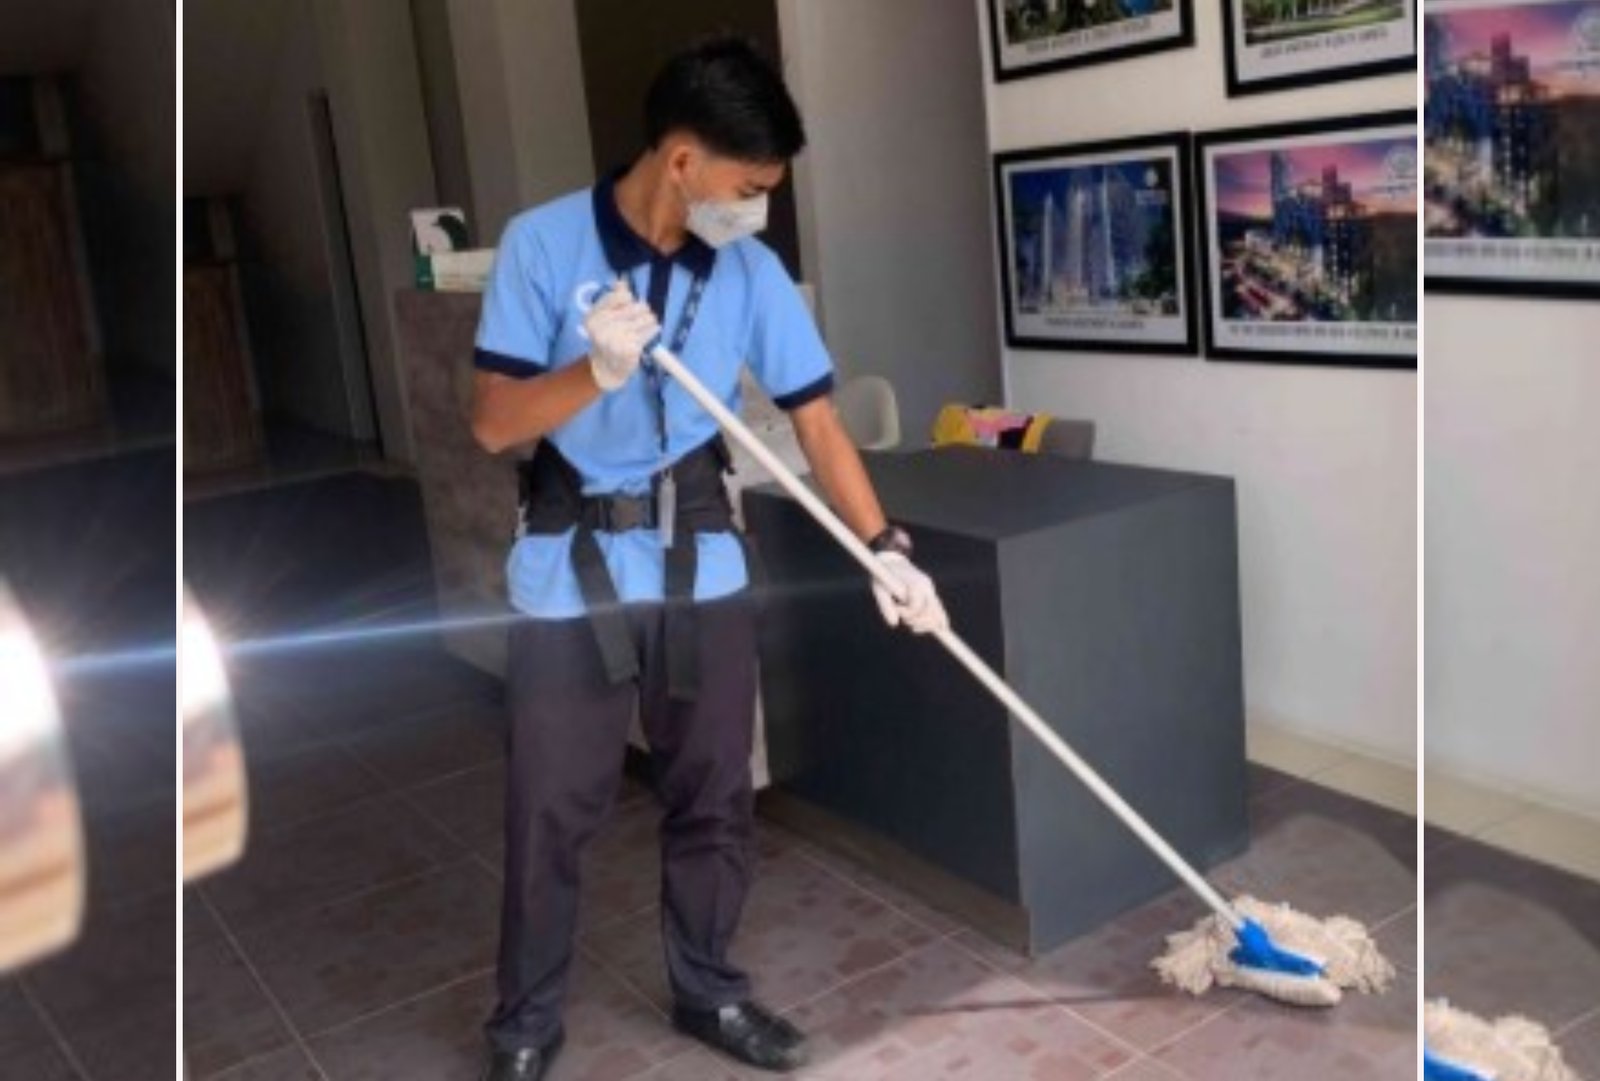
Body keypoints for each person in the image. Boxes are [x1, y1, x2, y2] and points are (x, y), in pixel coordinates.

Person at [469, 36, 948, 1080]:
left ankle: (709, 990)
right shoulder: (542, 245)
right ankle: (525, 1023)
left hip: (700, 558)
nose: (757, 210)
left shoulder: (749, 270)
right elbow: (494, 422)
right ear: (682, 159)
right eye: (750, 187)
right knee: (550, 806)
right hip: (571, 563)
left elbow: (817, 421)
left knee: (714, 796)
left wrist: (885, 547)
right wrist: (594, 371)